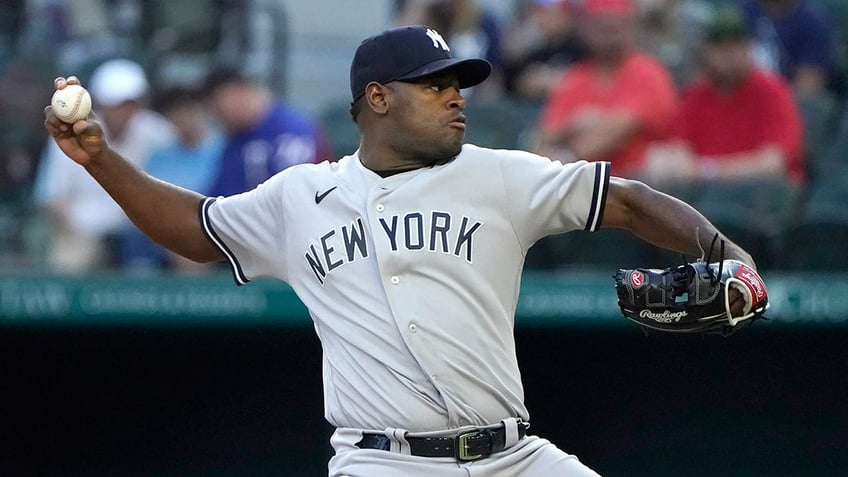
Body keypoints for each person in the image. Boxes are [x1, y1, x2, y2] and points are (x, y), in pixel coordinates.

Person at [45, 24, 758, 477]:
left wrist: (735, 259)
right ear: (378, 99)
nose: (458, 98)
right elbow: (198, 228)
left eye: (459, 85)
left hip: (514, 455)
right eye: (436, 85)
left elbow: (629, 198)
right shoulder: (301, 195)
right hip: (383, 462)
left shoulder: (500, 175)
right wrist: (101, 162)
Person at [34, 58, 176, 271]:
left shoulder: (158, 132)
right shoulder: (71, 133)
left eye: (130, 103)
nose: (123, 110)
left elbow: (170, 193)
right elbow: (52, 197)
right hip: (84, 231)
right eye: (117, 103)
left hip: (142, 234)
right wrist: (77, 231)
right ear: (101, 102)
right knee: (70, 259)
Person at [642, 6, 803, 187]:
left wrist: (705, 170)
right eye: (720, 46)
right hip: (706, 194)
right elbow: (675, 149)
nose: (730, 54)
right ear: (705, 52)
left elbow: (773, 165)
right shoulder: (695, 95)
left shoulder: (771, 90)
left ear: (749, 47)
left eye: (737, 44)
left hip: (761, 199)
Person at [534, 0, 678, 178]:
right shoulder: (575, 78)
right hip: (582, 188)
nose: (607, 28)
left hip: (638, 189)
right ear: (587, 26)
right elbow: (544, 137)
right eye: (600, 22)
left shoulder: (649, 73)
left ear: (630, 25)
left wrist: (566, 156)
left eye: (615, 22)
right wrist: (574, 124)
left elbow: (616, 132)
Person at [120, 86, 225, 272]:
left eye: (189, 111)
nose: (183, 118)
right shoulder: (159, 157)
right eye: (177, 113)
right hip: (163, 230)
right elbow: (148, 198)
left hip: (207, 229)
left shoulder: (221, 151)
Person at [202, 67, 328, 197]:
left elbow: (294, 196)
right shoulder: (238, 136)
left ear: (237, 92)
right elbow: (219, 197)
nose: (217, 116)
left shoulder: (291, 130)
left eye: (217, 106)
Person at [740, 0, 838, 99]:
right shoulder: (741, 13)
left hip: (788, 102)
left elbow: (810, 81)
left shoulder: (814, 23)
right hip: (740, 97)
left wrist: (774, 102)